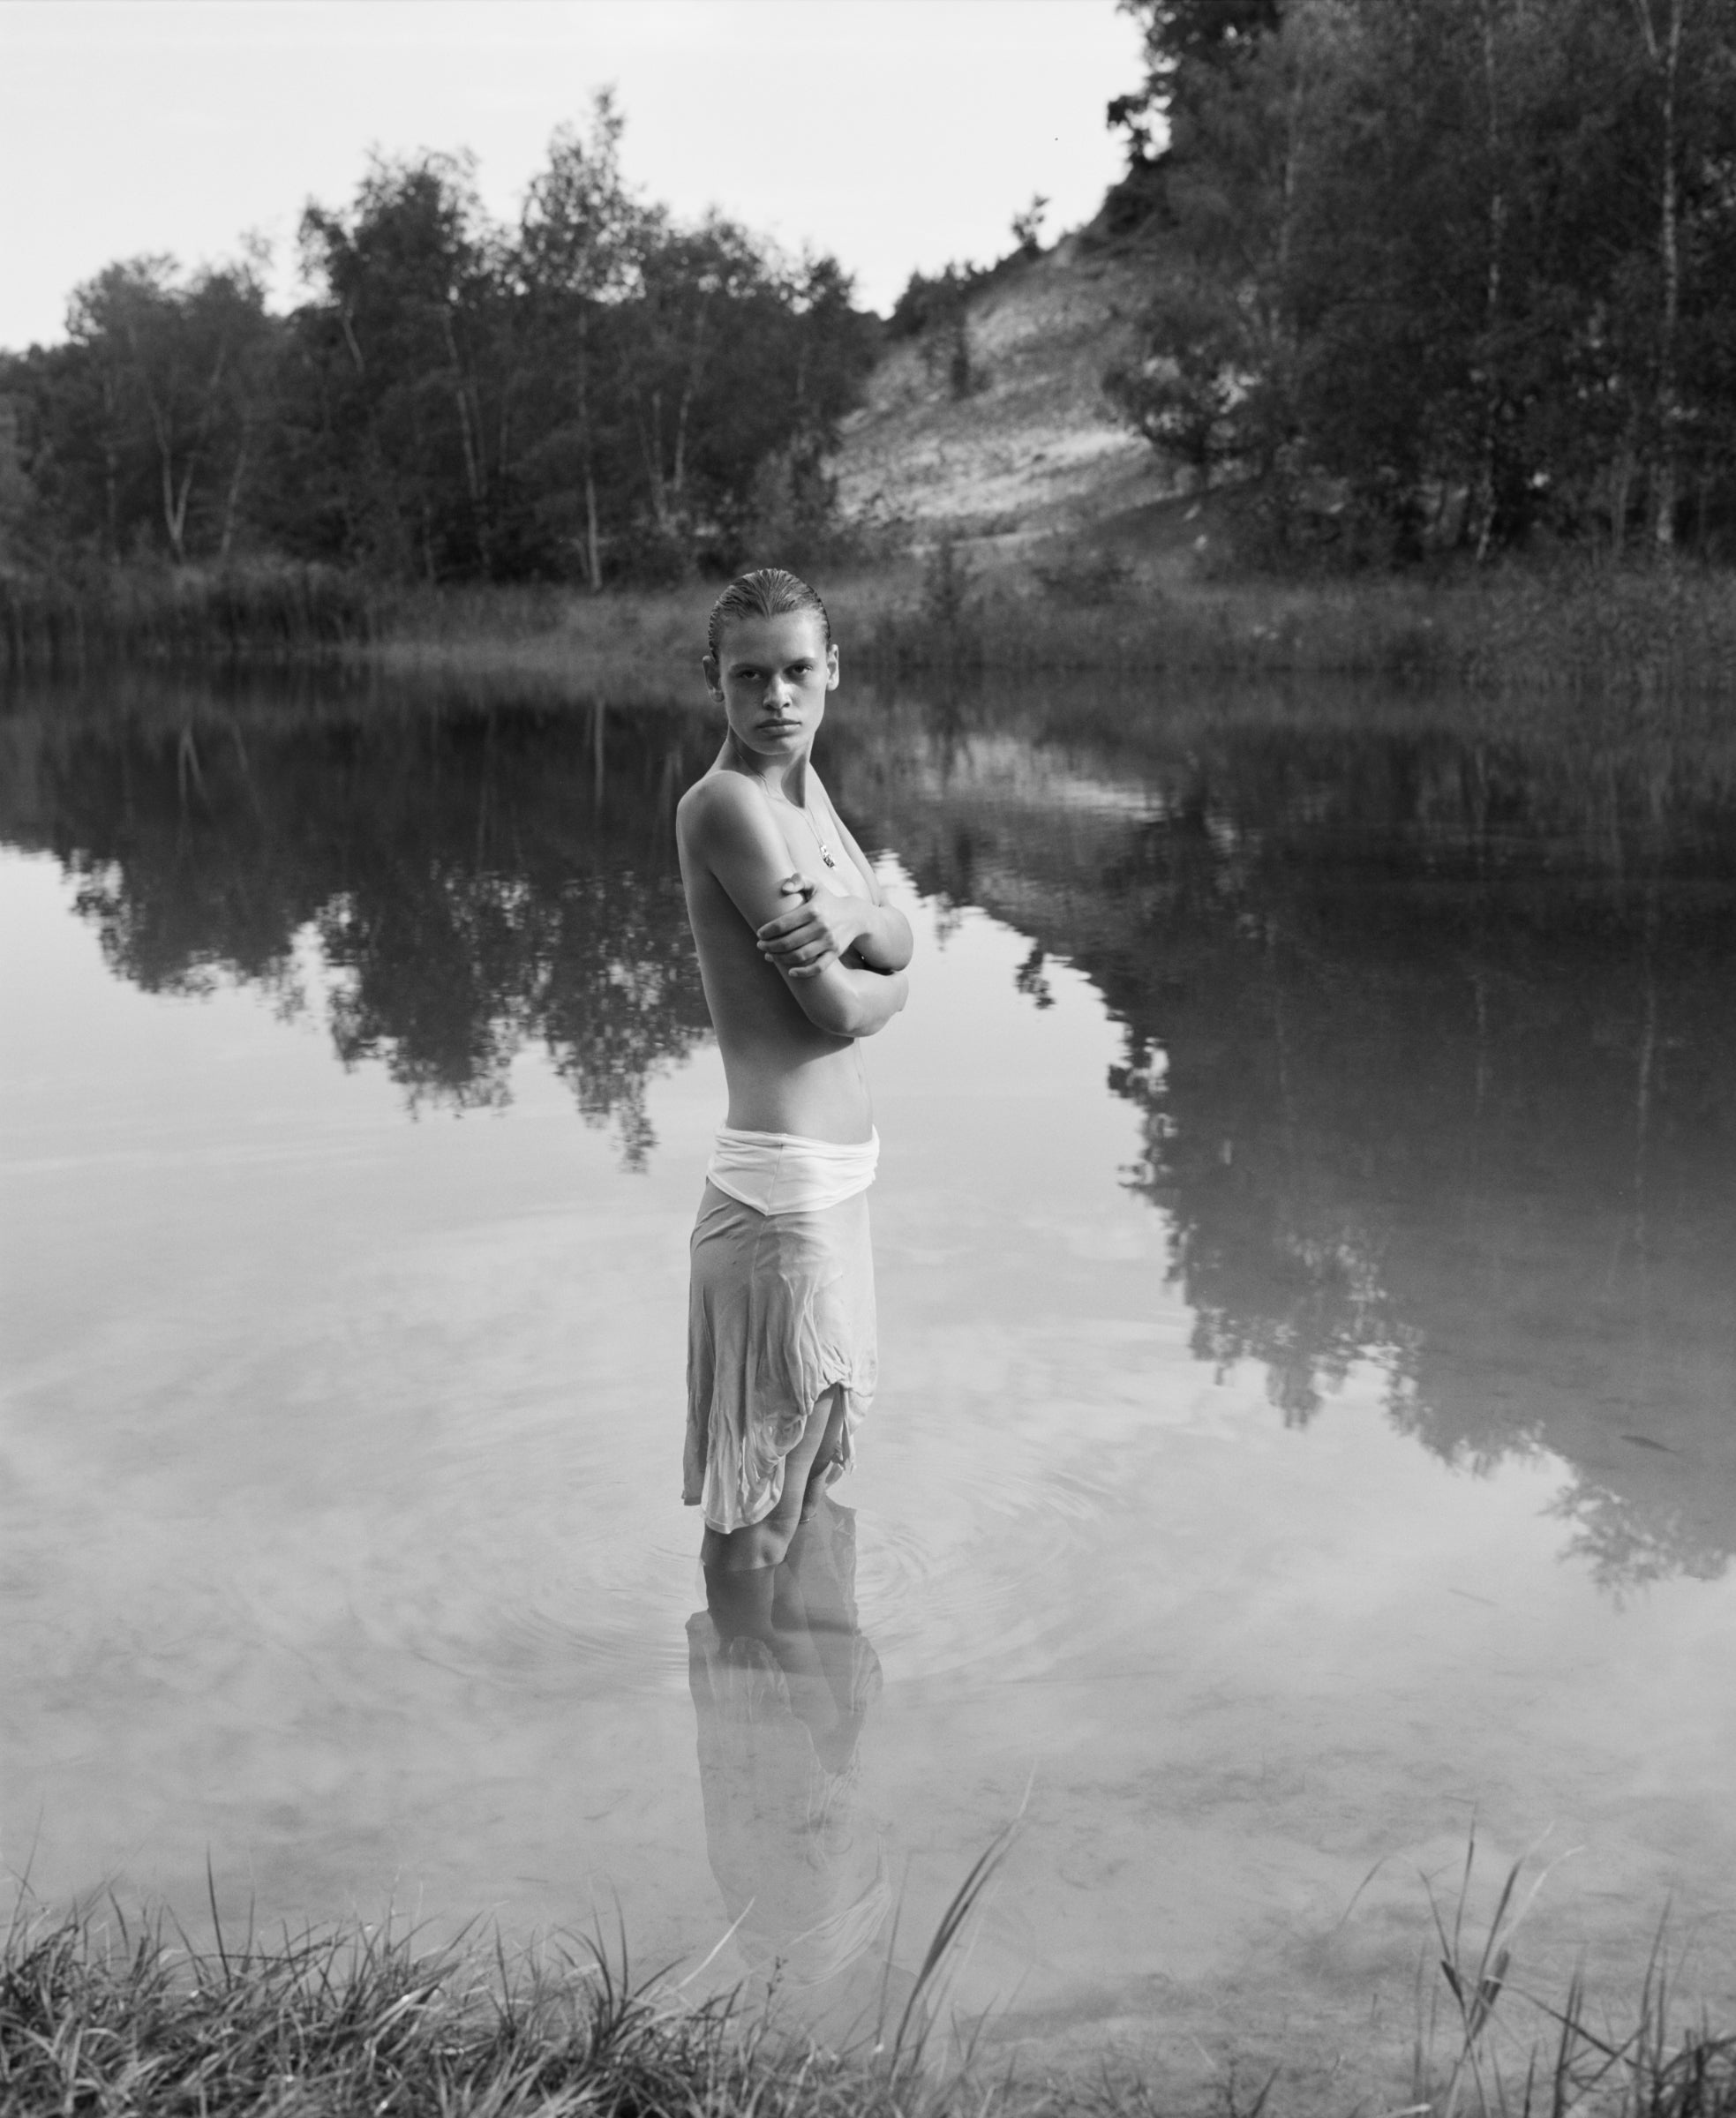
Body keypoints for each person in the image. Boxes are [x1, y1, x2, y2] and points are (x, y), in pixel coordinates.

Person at [677, 567, 912, 1573]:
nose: (776, 697)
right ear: (714, 680)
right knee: (760, 1516)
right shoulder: (728, 805)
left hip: (835, 1187)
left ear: (832, 671)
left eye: (796, 671)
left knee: (812, 1486)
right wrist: (891, 976)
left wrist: (858, 918)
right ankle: (736, 1677)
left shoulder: (808, 797)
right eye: (749, 676)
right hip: (783, 1195)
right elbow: (840, 1008)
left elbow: (895, 936)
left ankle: (800, 1674)